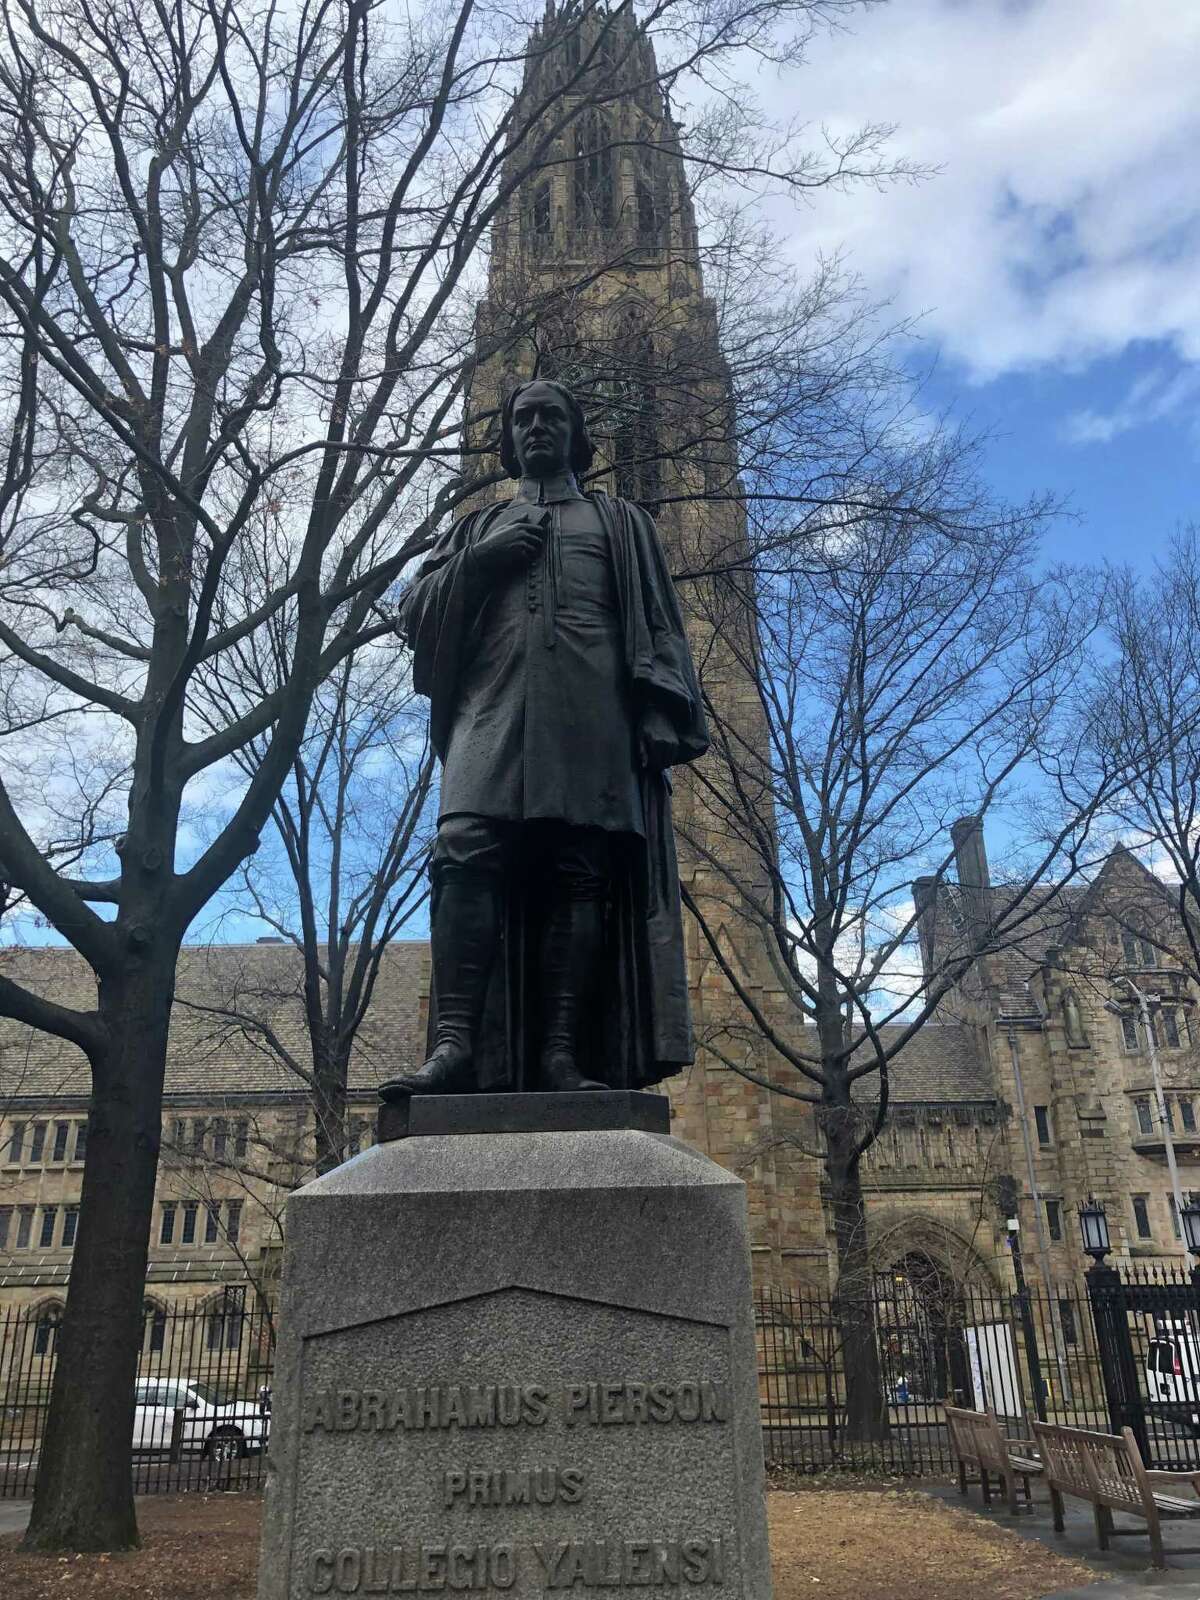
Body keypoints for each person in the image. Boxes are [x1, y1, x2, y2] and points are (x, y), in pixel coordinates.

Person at [382, 380, 708, 1098]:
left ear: (576, 433)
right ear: (507, 438)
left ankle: (564, 1055)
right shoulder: (477, 527)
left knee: (579, 871)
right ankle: (455, 1045)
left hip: (591, 718)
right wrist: (481, 561)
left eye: (551, 417)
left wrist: (657, 714)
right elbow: (416, 614)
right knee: (463, 852)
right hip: (490, 713)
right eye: (522, 418)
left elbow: (659, 625)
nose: (535, 428)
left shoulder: (622, 523)